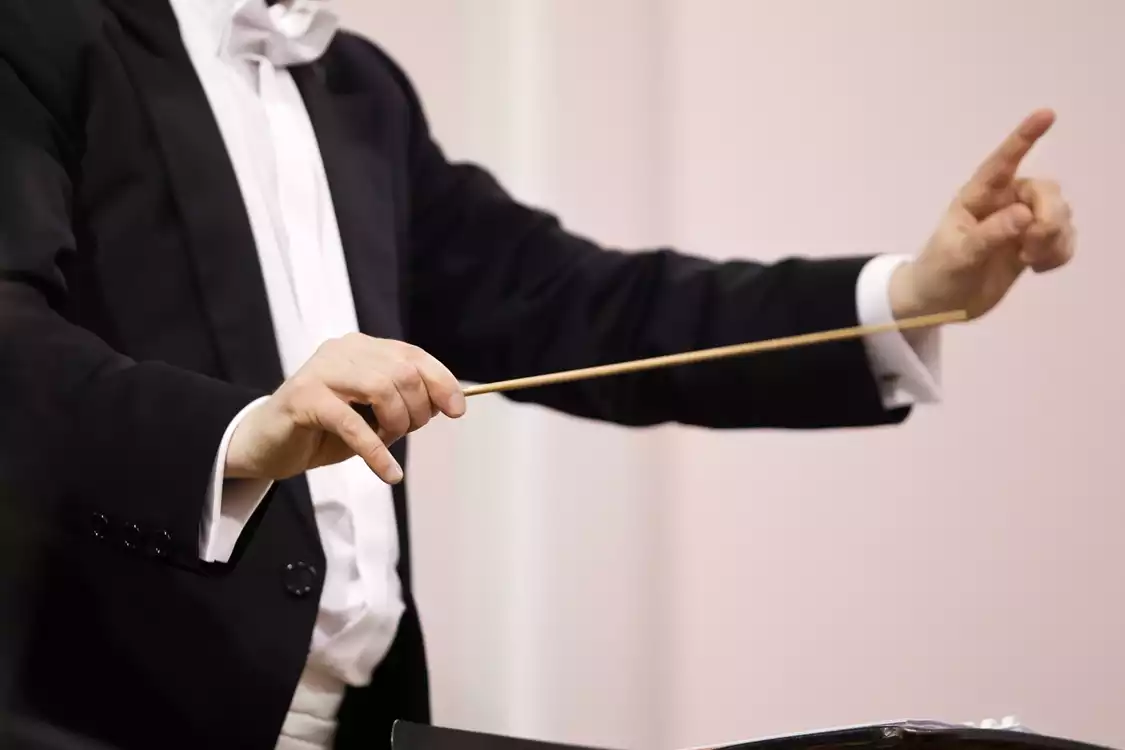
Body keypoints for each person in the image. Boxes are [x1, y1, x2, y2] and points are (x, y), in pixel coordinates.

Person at [0, 1, 1075, 749]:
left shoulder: (361, 90)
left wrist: (916, 293)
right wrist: (242, 433)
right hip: (89, 723)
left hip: (357, 725)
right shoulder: (41, 30)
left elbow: (575, 304)